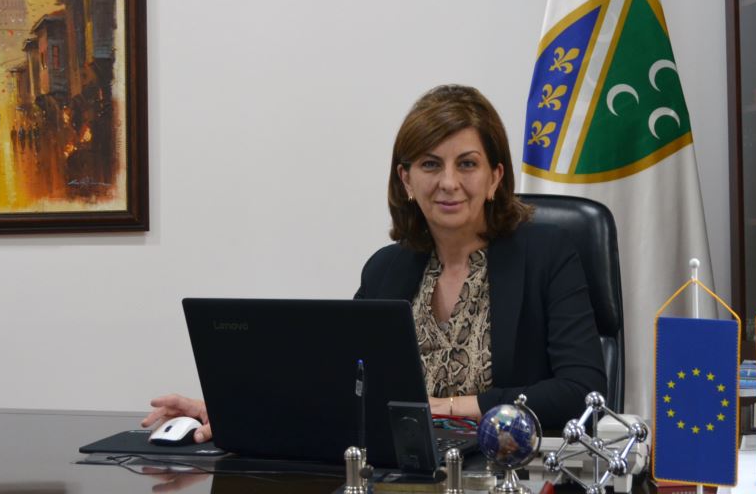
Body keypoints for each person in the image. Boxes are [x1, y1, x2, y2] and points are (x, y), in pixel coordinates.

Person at [143, 84, 606, 442]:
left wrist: (448, 407)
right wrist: (232, 411)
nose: (448, 182)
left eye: (467, 164)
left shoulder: (548, 254)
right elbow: (337, 385)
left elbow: (582, 390)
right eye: (430, 164)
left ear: (495, 177)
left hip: (507, 472)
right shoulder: (387, 270)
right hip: (405, 473)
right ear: (406, 180)